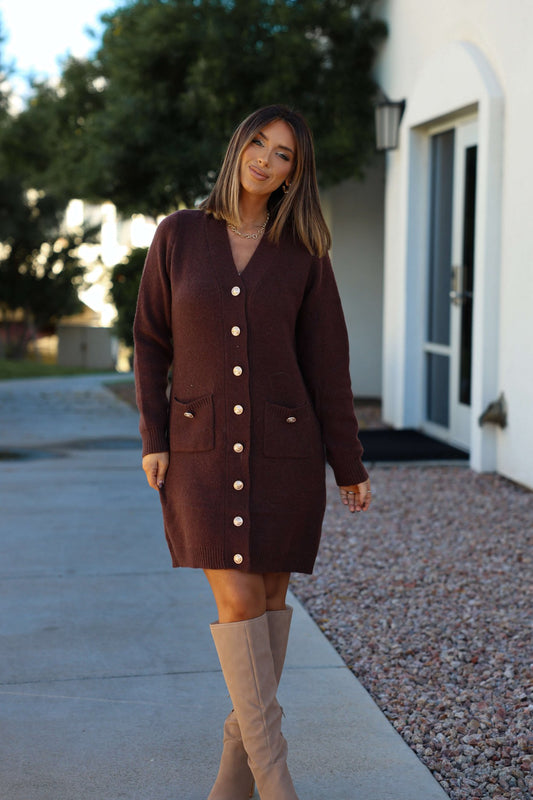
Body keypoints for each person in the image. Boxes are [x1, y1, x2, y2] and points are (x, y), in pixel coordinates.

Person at [133, 104, 371, 800]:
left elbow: (327, 363)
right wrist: (154, 437)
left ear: (296, 173)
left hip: (284, 455)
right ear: (238, 146)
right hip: (200, 454)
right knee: (238, 602)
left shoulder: (304, 252)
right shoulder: (179, 234)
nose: (266, 160)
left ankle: (231, 787)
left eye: (284, 154)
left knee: (267, 605)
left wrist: (348, 462)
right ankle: (278, 785)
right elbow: (150, 341)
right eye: (259, 144)